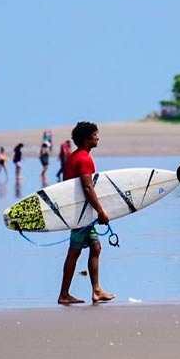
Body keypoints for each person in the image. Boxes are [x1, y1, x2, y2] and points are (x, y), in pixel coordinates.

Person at [57, 121, 115, 305]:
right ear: (86, 137)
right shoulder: (83, 159)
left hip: (81, 213)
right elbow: (88, 188)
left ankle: (96, 290)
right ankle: (64, 294)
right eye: (95, 134)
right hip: (80, 214)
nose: (98, 137)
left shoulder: (74, 157)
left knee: (95, 247)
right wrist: (101, 211)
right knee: (74, 253)